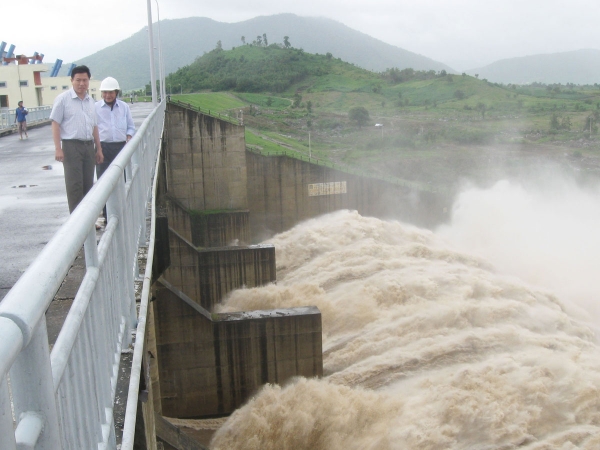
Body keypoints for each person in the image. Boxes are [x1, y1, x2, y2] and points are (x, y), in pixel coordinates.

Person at [50, 65, 103, 214]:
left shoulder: (90, 101)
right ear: (72, 80)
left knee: (88, 185)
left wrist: (98, 149)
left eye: (85, 80)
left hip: (88, 146)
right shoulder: (63, 99)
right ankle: (76, 222)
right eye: (78, 80)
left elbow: (94, 126)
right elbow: (55, 124)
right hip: (71, 146)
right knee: (75, 186)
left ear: (89, 81)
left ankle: (87, 221)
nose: (81, 84)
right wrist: (58, 148)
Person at [95, 76, 135, 223]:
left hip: (120, 147)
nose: (108, 95)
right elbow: (93, 129)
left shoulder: (124, 107)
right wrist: (97, 148)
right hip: (103, 148)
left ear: (116, 92)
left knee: (121, 181)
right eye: (105, 92)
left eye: (111, 92)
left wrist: (129, 136)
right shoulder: (96, 108)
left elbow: (130, 126)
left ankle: (120, 213)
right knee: (104, 183)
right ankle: (107, 215)